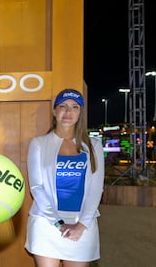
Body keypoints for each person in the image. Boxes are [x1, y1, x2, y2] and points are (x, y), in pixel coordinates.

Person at [25, 89, 105, 267]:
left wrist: (81, 225)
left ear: (80, 112)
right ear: (55, 111)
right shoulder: (39, 144)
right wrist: (58, 223)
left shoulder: (94, 146)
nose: (68, 112)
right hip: (46, 223)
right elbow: (37, 187)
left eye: (74, 107)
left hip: (82, 225)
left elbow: (96, 189)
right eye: (63, 106)